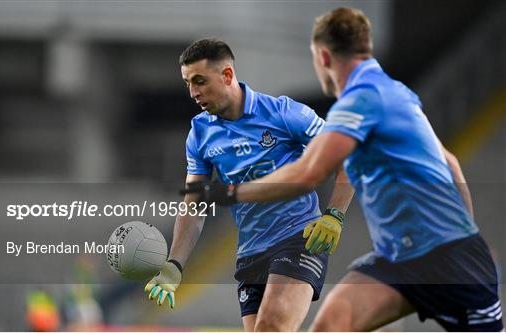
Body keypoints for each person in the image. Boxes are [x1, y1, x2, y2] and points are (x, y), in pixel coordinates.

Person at [183, 8, 504, 332]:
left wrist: (232, 192)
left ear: (323, 57)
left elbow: (306, 175)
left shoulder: (358, 103)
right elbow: (451, 163)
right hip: (398, 259)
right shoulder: (396, 93)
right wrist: (470, 232)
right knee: (331, 325)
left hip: (447, 260)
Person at [145, 38, 354, 331]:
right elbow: (194, 204)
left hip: (299, 238)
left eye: (200, 81)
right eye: (188, 83)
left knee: (272, 328)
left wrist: (335, 215)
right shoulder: (200, 134)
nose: (193, 92)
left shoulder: (282, 113)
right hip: (250, 254)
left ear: (227, 75)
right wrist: (174, 265)